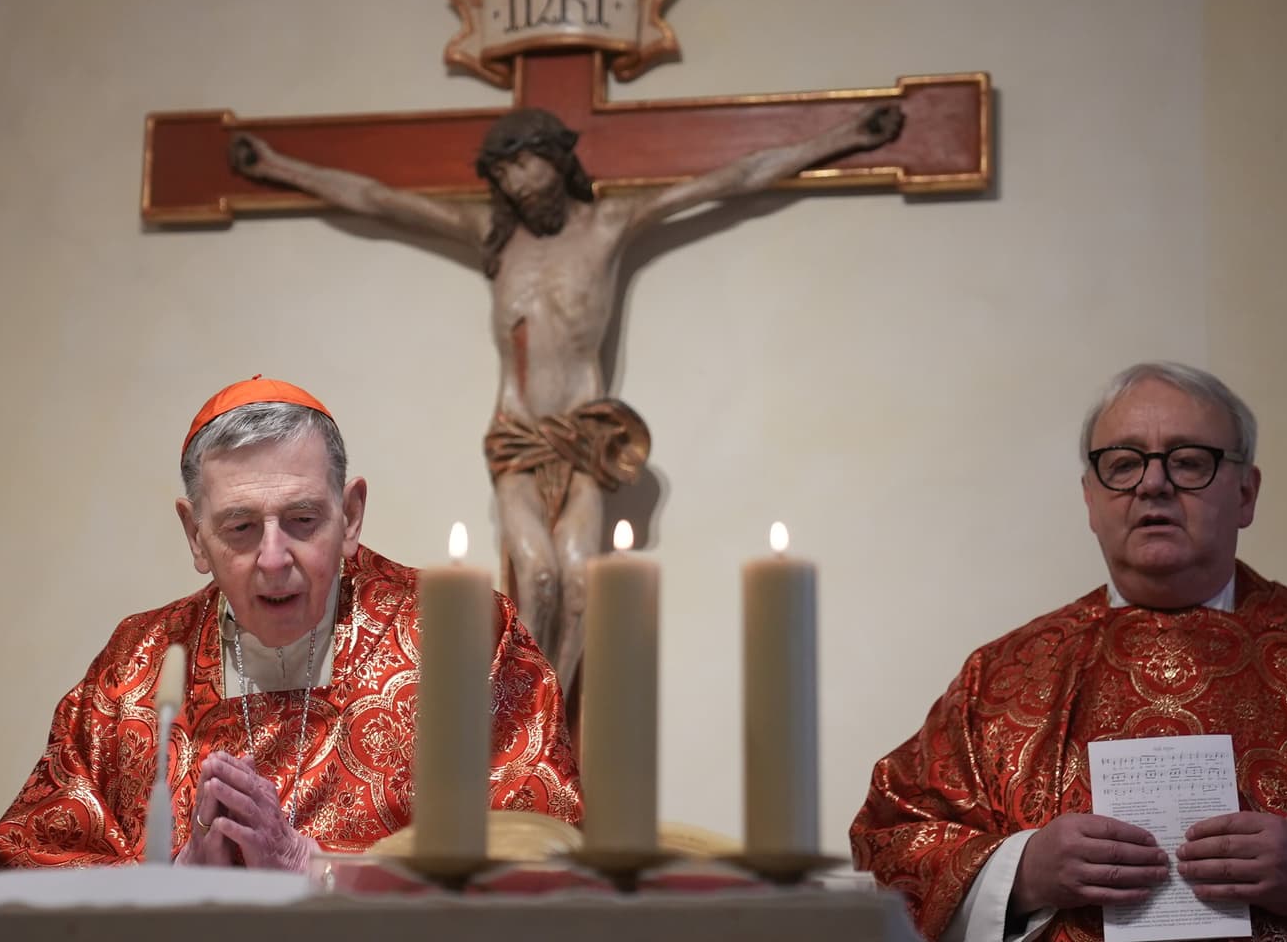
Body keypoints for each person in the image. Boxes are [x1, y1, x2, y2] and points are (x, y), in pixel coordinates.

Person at [850, 361, 1287, 941]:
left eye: (1188, 460)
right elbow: (888, 847)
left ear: (1246, 493)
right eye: (1122, 463)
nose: (1153, 484)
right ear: (1090, 499)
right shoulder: (1000, 681)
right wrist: (1019, 872)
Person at [229, 104, 902, 675]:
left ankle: (553, 726)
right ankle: (524, 721)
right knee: (537, 573)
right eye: (503, 173)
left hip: (583, 437)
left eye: (525, 164)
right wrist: (277, 167)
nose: (516, 183)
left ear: (556, 159)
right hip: (518, 435)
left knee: (580, 582)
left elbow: (733, 177)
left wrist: (843, 138)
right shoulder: (492, 238)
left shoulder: (609, 227)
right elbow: (379, 198)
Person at [0, 376, 582, 869]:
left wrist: (309, 866)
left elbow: (544, 854)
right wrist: (174, 884)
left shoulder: (462, 639)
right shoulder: (134, 670)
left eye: (301, 519)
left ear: (350, 516)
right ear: (196, 535)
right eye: (241, 528)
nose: (274, 559)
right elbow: (24, 866)